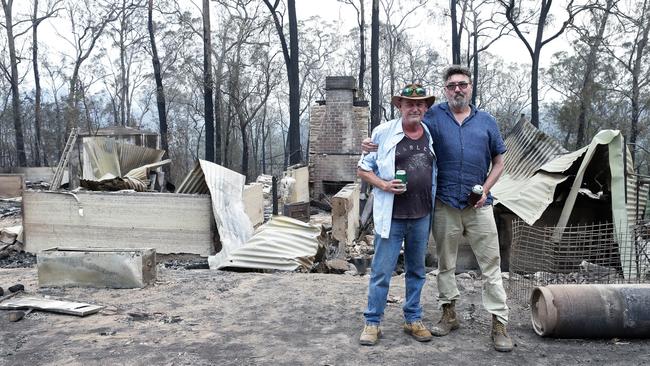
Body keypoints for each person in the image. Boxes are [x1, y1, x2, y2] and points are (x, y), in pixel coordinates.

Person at [362, 65, 513, 352]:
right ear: (445, 89)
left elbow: (500, 163)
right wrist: (369, 144)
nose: (458, 89)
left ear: (470, 87)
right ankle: (447, 314)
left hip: (477, 205)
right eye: (452, 85)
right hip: (443, 204)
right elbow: (399, 130)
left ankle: (499, 323)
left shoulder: (487, 122)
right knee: (444, 265)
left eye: (463, 84)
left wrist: (487, 190)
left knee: (490, 266)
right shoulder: (433, 118)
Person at [357, 83, 438, 346]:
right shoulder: (383, 132)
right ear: (399, 106)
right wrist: (383, 184)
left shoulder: (429, 133)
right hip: (392, 216)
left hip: (421, 215)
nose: (414, 108)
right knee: (382, 271)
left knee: (417, 270)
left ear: (425, 108)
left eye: (419, 104)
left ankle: (412, 318)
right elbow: (362, 169)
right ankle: (372, 322)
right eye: (408, 103)